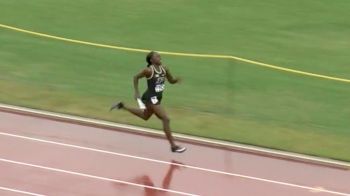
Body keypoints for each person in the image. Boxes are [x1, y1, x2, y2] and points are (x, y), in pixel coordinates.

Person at [111, 51, 186, 153]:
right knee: (166, 119)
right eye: (157, 56)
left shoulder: (165, 69)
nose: (160, 57)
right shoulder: (149, 71)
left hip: (158, 97)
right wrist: (137, 92)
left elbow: (171, 81)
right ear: (151, 60)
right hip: (150, 97)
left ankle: (122, 106)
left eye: (159, 56)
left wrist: (176, 80)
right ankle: (173, 146)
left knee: (145, 116)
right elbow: (136, 77)